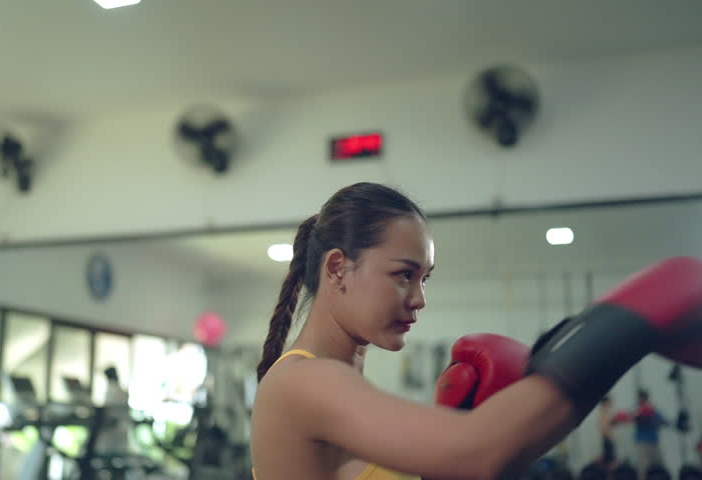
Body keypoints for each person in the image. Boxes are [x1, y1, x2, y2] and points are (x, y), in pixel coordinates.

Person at [249, 181, 702, 480]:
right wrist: (627, 323)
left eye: (424, 279)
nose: (419, 298)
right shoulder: (303, 381)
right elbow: (479, 452)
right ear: (337, 268)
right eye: (403, 274)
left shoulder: (338, 389)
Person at [598, 396, 620, 471]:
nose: (611, 404)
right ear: (605, 403)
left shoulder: (607, 413)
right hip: (607, 440)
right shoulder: (603, 413)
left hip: (609, 439)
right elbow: (604, 429)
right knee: (610, 463)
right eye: (609, 402)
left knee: (611, 462)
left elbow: (610, 426)